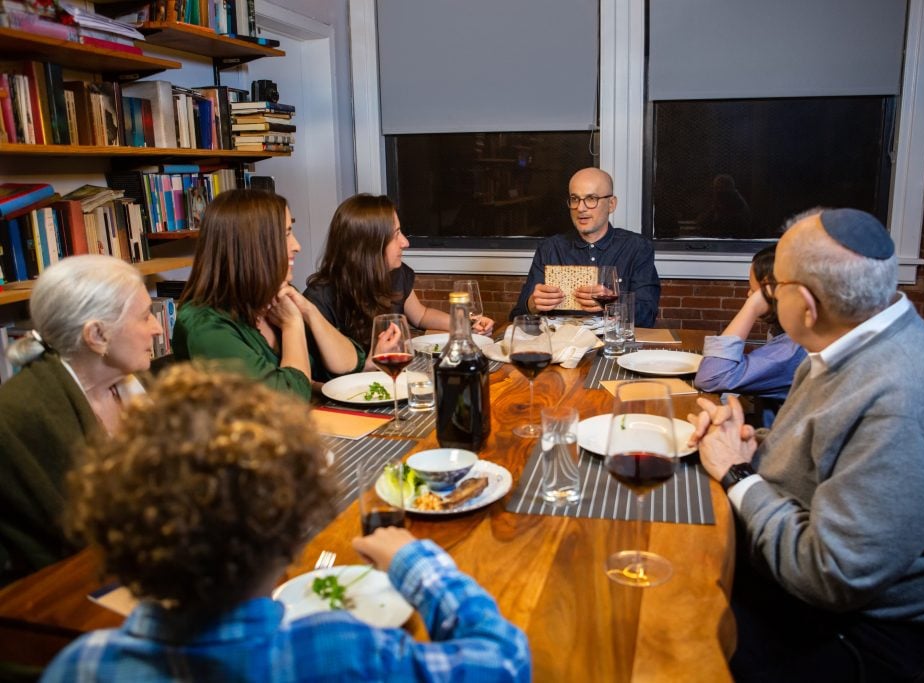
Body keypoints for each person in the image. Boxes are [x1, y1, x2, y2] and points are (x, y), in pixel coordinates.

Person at [41, 365, 531, 682]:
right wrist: (414, 560)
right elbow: (506, 661)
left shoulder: (80, 666)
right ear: (291, 534)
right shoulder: (340, 653)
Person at [688, 208, 924, 682]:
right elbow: (818, 442)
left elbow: (831, 576)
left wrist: (738, 473)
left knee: (652, 635)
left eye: (772, 288)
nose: (765, 297)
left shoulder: (902, 397)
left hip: (858, 632)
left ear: (805, 304)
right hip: (797, 575)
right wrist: (746, 439)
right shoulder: (843, 343)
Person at [0, 255, 162, 585]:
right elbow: (66, 544)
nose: (158, 328)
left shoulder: (136, 385)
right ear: (97, 335)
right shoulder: (20, 418)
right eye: (145, 316)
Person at [172, 189, 361, 400]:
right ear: (252, 245)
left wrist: (310, 312)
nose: (297, 246)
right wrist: (292, 326)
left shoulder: (276, 297)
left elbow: (348, 367)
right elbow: (287, 403)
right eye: (286, 234)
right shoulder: (205, 326)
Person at [304, 193, 495, 369]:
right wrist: (367, 367)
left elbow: (420, 315)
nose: (405, 242)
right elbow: (311, 381)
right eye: (396, 235)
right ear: (369, 246)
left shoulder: (394, 272)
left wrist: (464, 326)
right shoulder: (320, 299)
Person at [510, 167, 660, 327]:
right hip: (562, 347)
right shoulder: (549, 248)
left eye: (591, 198)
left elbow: (647, 316)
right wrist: (532, 304)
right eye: (575, 199)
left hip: (613, 345)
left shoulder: (637, 247)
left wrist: (612, 303)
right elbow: (516, 317)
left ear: (611, 204)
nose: (580, 208)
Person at [694, 244, 806, 427]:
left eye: (754, 291)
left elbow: (711, 376)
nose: (748, 294)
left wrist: (752, 306)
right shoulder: (783, 331)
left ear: (773, 292)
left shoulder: (795, 348)